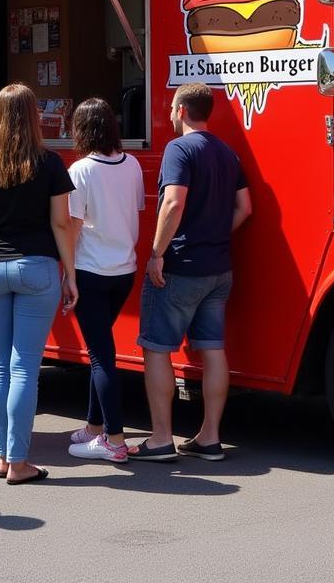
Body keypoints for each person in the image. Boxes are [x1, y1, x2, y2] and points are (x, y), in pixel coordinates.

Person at [0, 83, 75, 484]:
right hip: (37, 267)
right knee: (25, 368)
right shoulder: (49, 162)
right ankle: (19, 462)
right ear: (33, 116)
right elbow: (60, 222)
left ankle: (4, 456)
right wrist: (70, 272)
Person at [129, 82, 251, 462]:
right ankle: (209, 437)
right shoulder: (227, 153)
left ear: (181, 110)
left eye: (171, 108)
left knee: (156, 349)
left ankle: (161, 439)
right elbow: (245, 208)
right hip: (219, 270)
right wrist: (214, 235)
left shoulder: (178, 149)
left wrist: (156, 253)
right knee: (213, 348)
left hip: (181, 267)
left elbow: (173, 203)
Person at [65, 98, 144, 465]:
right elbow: (135, 211)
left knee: (101, 356)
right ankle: (94, 427)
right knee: (104, 352)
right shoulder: (133, 164)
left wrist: (66, 273)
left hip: (90, 270)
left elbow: (74, 224)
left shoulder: (80, 170)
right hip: (124, 270)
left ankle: (113, 439)